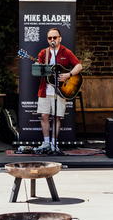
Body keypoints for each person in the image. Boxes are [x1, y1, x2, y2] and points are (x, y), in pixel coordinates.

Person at [34, 27, 81, 155]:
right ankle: (46, 142)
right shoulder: (43, 53)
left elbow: (79, 66)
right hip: (45, 90)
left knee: (56, 117)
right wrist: (38, 67)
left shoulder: (66, 52)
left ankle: (54, 144)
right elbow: (38, 71)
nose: (52, 40)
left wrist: (68, 75)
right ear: (47, 40)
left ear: (60, 38)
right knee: (44, 115)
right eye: (50, 38)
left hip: (60, 91)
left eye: (55, 37)